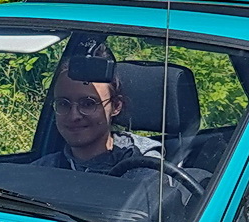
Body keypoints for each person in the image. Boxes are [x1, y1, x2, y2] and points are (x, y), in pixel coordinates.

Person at [32, 41, 164, 173]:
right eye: (63, 104)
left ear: (116, 106)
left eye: (88, 104)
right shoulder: (42, 170)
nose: (74, 115)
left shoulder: (143, 168)